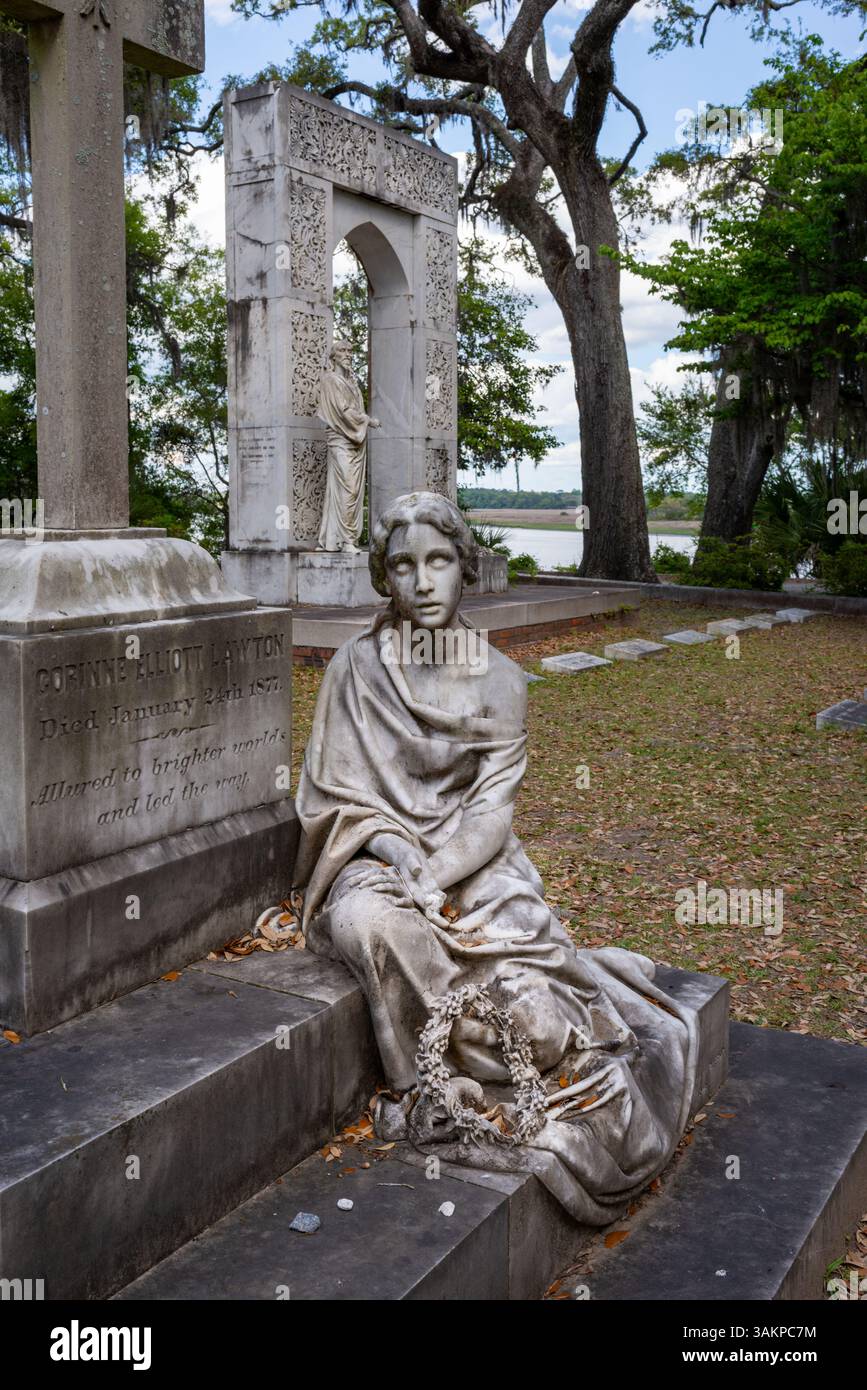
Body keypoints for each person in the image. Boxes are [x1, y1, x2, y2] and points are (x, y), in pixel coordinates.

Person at [293, 491, 699, 1223]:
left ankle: (515, 1032)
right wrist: (399, 859)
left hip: (473, 863)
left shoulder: (501, 681)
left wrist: (437, 872)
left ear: (464, 569)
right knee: (367, 925)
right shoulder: (352, 671)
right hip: (375, 853)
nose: (422, 582)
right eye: (404, 565)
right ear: (384, 577)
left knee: (516, 949)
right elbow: (337, 801)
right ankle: (457, 1069)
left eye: (439, 561)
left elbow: (488, 816)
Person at [315, 340, 379, 554]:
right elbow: (342, 411)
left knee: (350, 490)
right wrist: (367, 420)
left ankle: (337, 540)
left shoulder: (352, 383)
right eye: (342, 351)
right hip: (340, 439)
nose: (348, 354)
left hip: (355, 442)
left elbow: (352, 408)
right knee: (348, 488)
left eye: (350, 351)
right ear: (333, 357)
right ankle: (346, 539)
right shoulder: (330, 380)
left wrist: (362, 420)